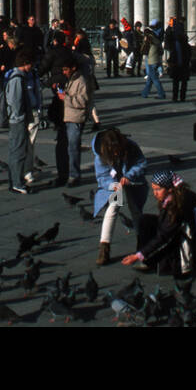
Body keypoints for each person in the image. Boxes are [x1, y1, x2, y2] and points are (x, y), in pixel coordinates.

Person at [122, 170, 196, 277]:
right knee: (144, 220)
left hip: (185, 240)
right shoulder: (175, 196)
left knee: (178, 273)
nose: (155, 193)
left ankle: (152, 259)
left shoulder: (176, 208)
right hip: (177, 231)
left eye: (158, 189)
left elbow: (164, 236)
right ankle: (149, 260)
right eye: (153, 189)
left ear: (169, 189)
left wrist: (138, 256)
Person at [92, 126, 148, 265]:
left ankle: (142, 246)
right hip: (114, 184)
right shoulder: (100, 153)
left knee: (136, 211)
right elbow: (102, 176)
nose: (116, 154)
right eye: (113, 153)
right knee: (112, 208)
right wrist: (114, 185)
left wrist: (129, 176)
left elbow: (141, 163)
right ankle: (104, 248)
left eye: (118, 152)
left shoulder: (131, 146)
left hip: (132, 181)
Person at [4, 50, 36, 194]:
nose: (32, 67)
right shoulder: (17, 79)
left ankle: (15, 180)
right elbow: (15, 102)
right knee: (18, 151)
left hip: (17, 119)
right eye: (30, 64)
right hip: (17, 120)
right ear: (25, 64)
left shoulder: (17, 77)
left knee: (16, 150)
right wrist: (20, 116)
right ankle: (17, 182)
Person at [59, 54, 91, 186]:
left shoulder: (81, 80)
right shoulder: (72, 78)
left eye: (66, 69)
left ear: (73, 68)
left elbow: (82, 101)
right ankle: (70, 173)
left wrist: (65, 98)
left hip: (76, 118)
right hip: (69, 116)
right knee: (70, 147)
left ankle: (74, 175)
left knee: (73, 147)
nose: (64, 72)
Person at [164, 16, 191, 102]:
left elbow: (168, 35)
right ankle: (176, 97)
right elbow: (168, 35)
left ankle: (180, 97)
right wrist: (170, 25)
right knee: (177, 82)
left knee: (181, 83)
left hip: (182, 64)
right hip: (178, 64)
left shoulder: (182, 41)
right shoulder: (175, 42)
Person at [140, 20, 166, 100]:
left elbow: (143, 49)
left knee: (154, 79)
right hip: (157, 60)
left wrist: (145, 40)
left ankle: (161, 94)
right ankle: (144, 93)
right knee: (150, 79)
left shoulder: (151, 39)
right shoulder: (157, 39)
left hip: (152, 60)